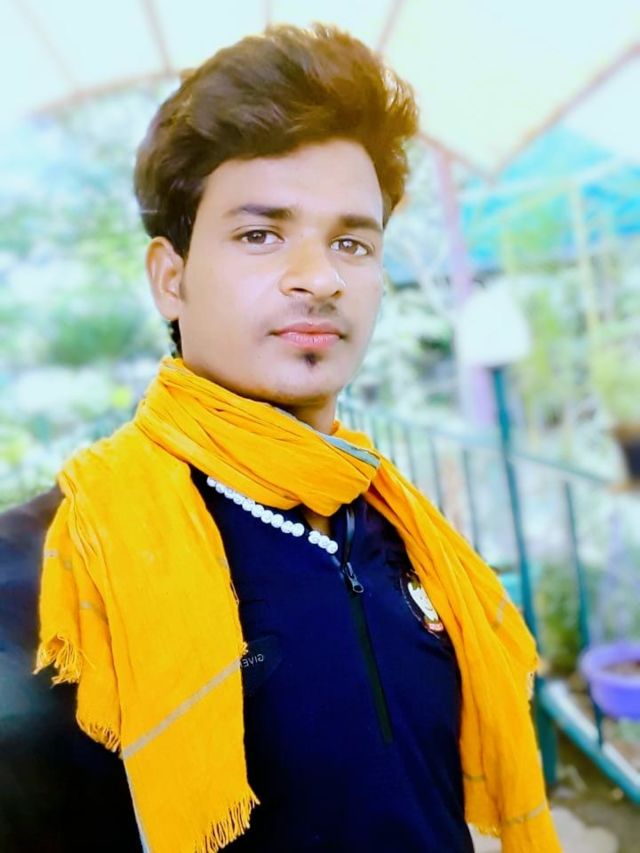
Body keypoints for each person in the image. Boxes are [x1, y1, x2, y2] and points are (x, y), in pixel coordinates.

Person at [0, 23, 561, 853]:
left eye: (351, 242)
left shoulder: (395, 522)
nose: (320, 277)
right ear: (170, 278)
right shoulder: (51, 570)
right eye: (261, 234)